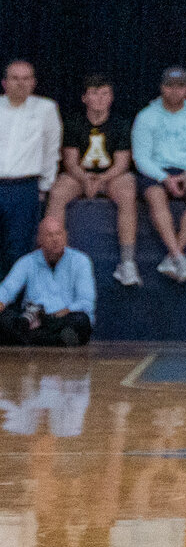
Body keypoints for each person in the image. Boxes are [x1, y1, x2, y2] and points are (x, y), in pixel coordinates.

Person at [45, 75, 139, 286]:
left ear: (111, 98)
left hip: (111, 175)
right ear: (84, 98)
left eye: (104, 93)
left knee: (127, 190)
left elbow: (122, 162)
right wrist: (85, 178)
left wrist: (102, 179)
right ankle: (53, 258)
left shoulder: (121, 123)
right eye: (94, 93)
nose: (99, 98)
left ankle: (127, 263)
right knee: (58, 192)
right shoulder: (73, 122)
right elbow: (70, 160)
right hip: (80, 174)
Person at [132, 66, 186, 283]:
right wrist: (164, 178)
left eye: (180, 87)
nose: (175, 91)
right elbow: (141, 158)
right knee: (156, 198)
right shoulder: (146, 116)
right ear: (162, 88)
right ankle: (177, 255)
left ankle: (173, 255)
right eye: (170, 86)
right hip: (157, 169)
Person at [0, 60, 61, 271]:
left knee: (19, 248)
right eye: (15, 78)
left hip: (24, 188)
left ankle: (15, 300)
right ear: (4, 82)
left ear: (34, 82)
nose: (21, 83)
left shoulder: (46, 109)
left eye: (26, 78)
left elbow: (51, 150)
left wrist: (45, 186)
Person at [0, 215, 93, 347]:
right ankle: (53, 341)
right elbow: (8, 288)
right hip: (30, 321)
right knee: (5, 320)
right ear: (40, 239)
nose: (55, 239)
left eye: (58, 234)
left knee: (81, 321)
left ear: (65, 236)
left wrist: (60, 313)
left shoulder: (81, 261)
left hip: (61, 320)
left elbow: (86, 302)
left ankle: (30, 340)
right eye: (49, 235)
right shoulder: (28, 261)